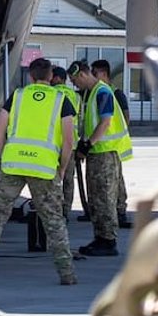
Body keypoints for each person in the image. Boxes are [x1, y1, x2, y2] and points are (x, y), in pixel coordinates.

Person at [0, 58, 78, 285]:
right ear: (50, 77)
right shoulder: (61, 100)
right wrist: (63, 167)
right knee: (53, 220)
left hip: (13, 165)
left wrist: (4, 156)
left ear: (30, 76)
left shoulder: (17, 96)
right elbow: (68, 140)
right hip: (45, 168)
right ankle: (66, 272)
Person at [68, 60, 131, 257]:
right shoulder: (89, 95)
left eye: (74, 80)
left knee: (104, 197)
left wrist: (88, 144)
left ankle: (108, 240)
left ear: (83, 75)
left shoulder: (102, 92)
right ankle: (100, 237)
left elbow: (105, 121)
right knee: (95, 198)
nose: (74, 85)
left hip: (105, 153)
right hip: (97, 153)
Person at [90, 59, 133, 229]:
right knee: (112, 182)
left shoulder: (114, 93)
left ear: (104, 74)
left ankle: (120, 211)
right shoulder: (96, 91)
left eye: (95, 73)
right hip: (105, 145)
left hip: (113, 145)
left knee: (116, 182)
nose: (93, 76)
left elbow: (125, 118)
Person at [51, 64, 83, 221]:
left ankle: (53, 208)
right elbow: (81, 121)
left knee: (52, 178)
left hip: (52, 144)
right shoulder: (76, 96)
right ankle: (65, 210)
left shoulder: (52, 93)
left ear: (57, 78)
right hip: (72, 144)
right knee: (68, 180)